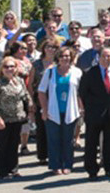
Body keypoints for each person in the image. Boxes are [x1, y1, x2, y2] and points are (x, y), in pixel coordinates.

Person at [79, 47, 110, 179]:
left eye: (109, 56)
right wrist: (86, 109)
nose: (106, 59)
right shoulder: (89, 73)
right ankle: (92, 170)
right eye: (104, 56)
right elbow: (82, 93)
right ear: (99, 58)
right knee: (92, 143)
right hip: (94, 113)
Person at [38, 46, 82, 176]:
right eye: (62, 56)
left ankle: (67, 164)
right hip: (53, 111)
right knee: (53, 139)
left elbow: (80, 92)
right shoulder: (50, 72)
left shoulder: (77, 72)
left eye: (68, 56)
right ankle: (55, 165)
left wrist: (82, 108)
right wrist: (44, 110)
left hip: (71, 111)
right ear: (58, 58)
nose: (65, 58)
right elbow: (41, 91)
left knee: (68, 140)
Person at [0, 56, 31, 180]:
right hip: (3, 119)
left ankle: (13, 169)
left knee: (13, 145)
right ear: (2, 69)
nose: (9, 69)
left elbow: (25, 95)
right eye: (6, 67)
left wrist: (30, 104)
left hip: (17, 118)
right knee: (2, 146)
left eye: (12, 66)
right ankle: (2, 172)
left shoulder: (19, 81)